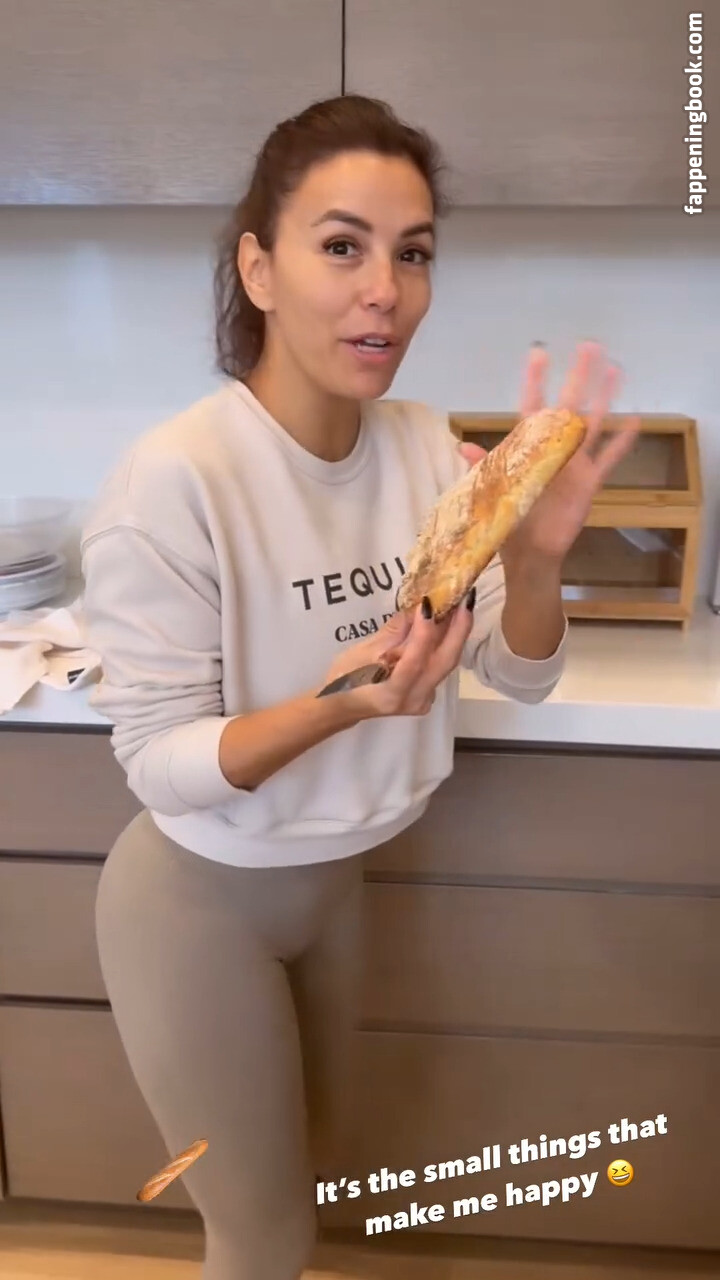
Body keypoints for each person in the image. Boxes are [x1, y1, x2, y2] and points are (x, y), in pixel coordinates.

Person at [80, 94, 637, 1280]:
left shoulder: (427, 448)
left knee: (315, 1171)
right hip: (197, 901)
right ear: (260, 269)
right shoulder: (176, 479)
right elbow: (159, 760)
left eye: (412, 253)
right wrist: (340, 702)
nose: (385, 289)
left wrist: (540, 561)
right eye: (342, 246)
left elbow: (520, 672)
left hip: (336, 882)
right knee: (262, 1235)